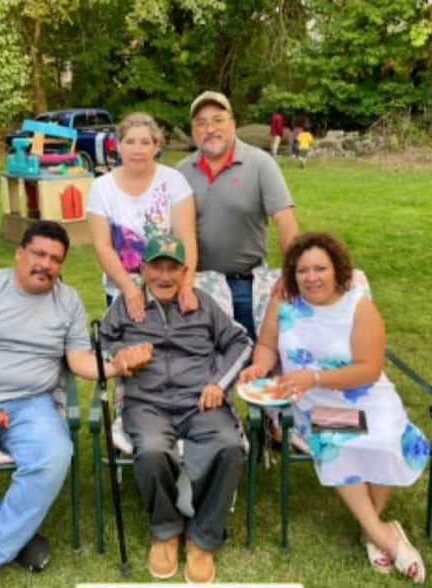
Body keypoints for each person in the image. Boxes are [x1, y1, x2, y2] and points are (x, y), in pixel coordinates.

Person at [0, 221, 151, 588]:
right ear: (20, 253)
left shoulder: (67, 301)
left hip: (33, 404)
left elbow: (79, 360)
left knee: (53, 456)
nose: (46, 264)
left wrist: (116, 365)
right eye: (39, 254)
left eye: (55, 259)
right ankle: (16, 537)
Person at [239, 233, 429, 584]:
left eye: (320, 269)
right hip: (311, 406)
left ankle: (371, 530)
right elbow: (266, 344)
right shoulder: (284, 303)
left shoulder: (359, 307)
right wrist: (259, 367)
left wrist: (314, 376)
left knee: (388, 437)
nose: (311, 277)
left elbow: (369, 368)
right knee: (334, 439)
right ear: (293, 274)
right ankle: (384, 534)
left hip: (367, 396)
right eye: (303, 270)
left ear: (337, 269)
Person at [99, 235, 252, 584]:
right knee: (152, 450)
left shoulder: (202, 303)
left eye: (173, 268)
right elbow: (101, 343)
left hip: (200, 400)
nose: (165, 276)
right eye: (157, 267)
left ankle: (204, 538)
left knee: (229, 446)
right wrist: (118, 357)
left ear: (185, 272)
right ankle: (166, 530)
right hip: (147, 403)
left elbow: (241, 343)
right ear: (143, 268)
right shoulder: (125, 305)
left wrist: (219, 384)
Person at [177, 91, 300, 339]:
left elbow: (285, 220)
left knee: (255, 362)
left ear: (233, 124)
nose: (210, 128)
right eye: (201, 123)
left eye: (218, 119)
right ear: (193, 131)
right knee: (204, 367)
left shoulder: (260, 164)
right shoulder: (180, 171)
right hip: (197, 286)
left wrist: (294, 272)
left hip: (247, 286)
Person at [86, 112, 198, 321]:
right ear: (118, 146)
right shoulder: (101, 188)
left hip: (170, 287)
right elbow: (103, 246)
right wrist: (129, 290)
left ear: (156, 147)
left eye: (145, 142)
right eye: (130, 142)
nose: (137, 149)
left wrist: (187, 285)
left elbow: (187, 238)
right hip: (121, 289)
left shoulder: (174, 181)